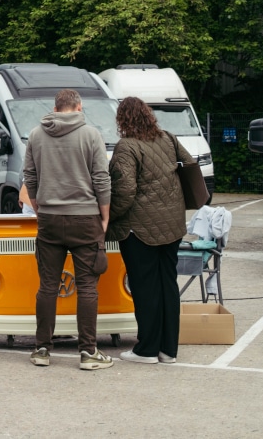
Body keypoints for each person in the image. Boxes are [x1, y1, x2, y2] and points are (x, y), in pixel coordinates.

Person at [23, 89, 113, 370]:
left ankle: (41, 349)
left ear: (55, 107)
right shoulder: (91, 134)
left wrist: (40, 208)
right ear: (78, 106)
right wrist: (104, 216)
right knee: (87, 286)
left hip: (49, 217)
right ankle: (88, 352)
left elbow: (30, 175)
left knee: (48, 285)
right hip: (85, 218)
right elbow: (101, 177)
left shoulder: (37, 134)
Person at [108, 96, 193, 364]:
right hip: (172, 224)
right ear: (148, 115)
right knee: (168, 284)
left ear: (122, 120)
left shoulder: (126, 146)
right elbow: (190, 166)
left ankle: (145, 349)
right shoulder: (168, 137)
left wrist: (108, 217)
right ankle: (168, 350)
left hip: (139, 229)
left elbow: (125, 189)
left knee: (145, 288)